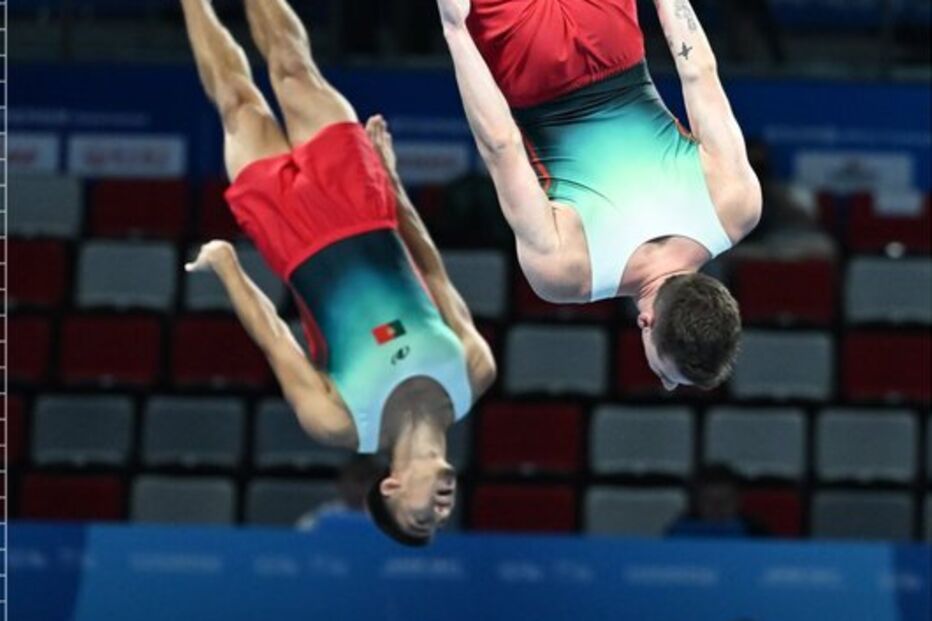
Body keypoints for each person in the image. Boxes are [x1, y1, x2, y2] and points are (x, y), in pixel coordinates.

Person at [180, 0, 496, 546]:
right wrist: (393, 184)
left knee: (237, 102)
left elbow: (278, 341)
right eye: (441, 522)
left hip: (293, 240)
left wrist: (230, 269)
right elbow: (433, 272)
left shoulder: (341, 420)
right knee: (293, 68)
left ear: (392, 488)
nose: (441, 513)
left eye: (423, 518)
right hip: (363, 204)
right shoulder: (473, 372)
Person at [437, 0, 762, 390]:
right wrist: (456, 32)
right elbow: (501, 147)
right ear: (648, 322)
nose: (666, 385)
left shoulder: (737, 207)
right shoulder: (568, 273)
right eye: (664, 374)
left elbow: (698, 71)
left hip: (614, 40)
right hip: (530, 66)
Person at [666, 464, 770, 538]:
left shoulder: (755, 532)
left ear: (738, 501)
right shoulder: (678, 533)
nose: (718, 506)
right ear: (696, 502)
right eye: (709, 500)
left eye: (726, 500)